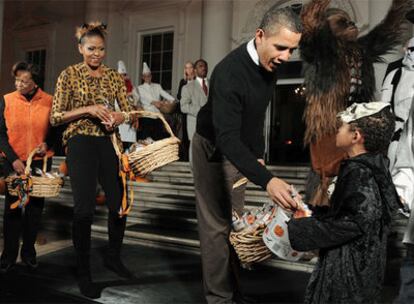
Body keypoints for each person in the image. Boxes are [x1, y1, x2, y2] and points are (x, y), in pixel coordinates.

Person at [192, 6, 302, 303]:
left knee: (236, 225)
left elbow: (255, 114)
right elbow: (226, 137)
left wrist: (257, 153)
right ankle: (219, 298)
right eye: (281, 47)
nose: (286, 57)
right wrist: (267, 180)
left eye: (292, 50)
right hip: (212, 147)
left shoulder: (270, 67)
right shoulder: (228, 73)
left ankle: (235, 293)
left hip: (239, 146)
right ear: (260, 35)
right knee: (216, 227)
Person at [50, 22, 135, 298]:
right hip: (79, 141)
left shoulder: (113, 76)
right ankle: (84, 271)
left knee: (118, 204)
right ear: (80, 48)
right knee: (84, 209)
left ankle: (113, 256)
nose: (97, 54)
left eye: (101, 49)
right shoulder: (69, 74)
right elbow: (55, 117)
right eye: (91, 49)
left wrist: (120, 116)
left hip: (109, 142)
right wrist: (88, 109)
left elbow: (131, 110)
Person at [300, 0, 412, 206]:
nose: (352, 25)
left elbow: (387, 32)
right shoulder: (321, 51)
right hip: (328, 126)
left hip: (357, 124)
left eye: (352, 22)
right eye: (343, 23)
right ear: (327, 29)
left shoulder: (361, 49)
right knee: (325, 176)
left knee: (358, 176)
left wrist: (398, 7)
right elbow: (309, 26)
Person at [288, 102, 400, 304]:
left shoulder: (360, 172)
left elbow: (354, 223)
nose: (336, 131)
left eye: (341, 127)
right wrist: (307, 210)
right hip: (356, 272)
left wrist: (301, 227)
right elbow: (347, 214)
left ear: (355, 136)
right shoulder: (370, 167)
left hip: (349, 277)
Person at [0, 61, 54, 273]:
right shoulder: (7, 100)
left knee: (34, 209)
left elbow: (55, 132)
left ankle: (29, 253)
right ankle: (8, 255)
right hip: (13, 161)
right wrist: (13, 159)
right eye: (17, 80)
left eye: (24, 81)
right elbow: (0, 134)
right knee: (13, 207)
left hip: (38, 162)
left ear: (35, 83)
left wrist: (47, 144)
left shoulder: (49, 101)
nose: (18, 84)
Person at [137, 62, 176, 140]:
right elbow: (153, 102)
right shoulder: (140, 88)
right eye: (145, 76)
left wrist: (173, 100)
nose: (148, 77)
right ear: (143, 77)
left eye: (149, 76)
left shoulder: (157, 86)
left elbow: (166, 95)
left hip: (158, 117)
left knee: (158, 140)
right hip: (147, 117)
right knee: (147, 140)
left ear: (151, 76)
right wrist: (162, 102)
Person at [180, 59, 208, 161]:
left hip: (211, 127)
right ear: (195, 70)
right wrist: (201, 111)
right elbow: (183, 106)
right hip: (195, 126)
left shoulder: (213, 84)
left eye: (205, 66)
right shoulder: (188, 87)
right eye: (200, 66)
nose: (204, 68)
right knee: (196, 158)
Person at [116, 60, 140, 149]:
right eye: (120, 75)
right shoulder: (115, 88)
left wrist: (131, 96)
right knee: (120, 143)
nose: (122, 77)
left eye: (124, 75)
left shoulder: (131, 88)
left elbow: (136, 99)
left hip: (130, 117)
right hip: (120, 118)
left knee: (130, 145)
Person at [177, 61, 195, 160]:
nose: (188, 70)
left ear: (193, 69)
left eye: (190, 67)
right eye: (186, 67)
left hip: (194, 111)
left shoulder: (197, 81)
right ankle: (186, 157)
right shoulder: (182, 82)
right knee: (185, 134)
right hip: (184, 112)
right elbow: (179, 95)